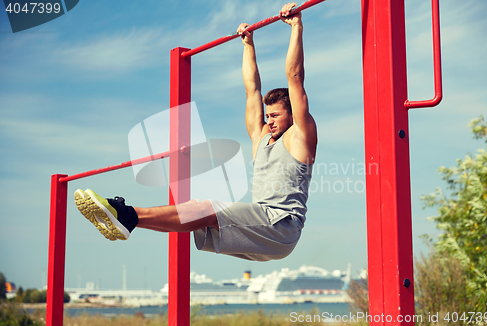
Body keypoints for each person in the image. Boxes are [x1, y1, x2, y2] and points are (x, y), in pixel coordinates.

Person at [74, 2, 317, 262]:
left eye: (275, 115)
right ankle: (127, 222)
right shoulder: (261, 139)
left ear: (292, 115)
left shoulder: (300, 136)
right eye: (267, 116)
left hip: (281, 226)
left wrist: (296, 27)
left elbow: (295, 77)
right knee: (196, 214)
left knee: (205, 207)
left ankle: (126, 214)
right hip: (261, 226)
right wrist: (248, 46)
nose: (268, 121)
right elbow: (252, 90)